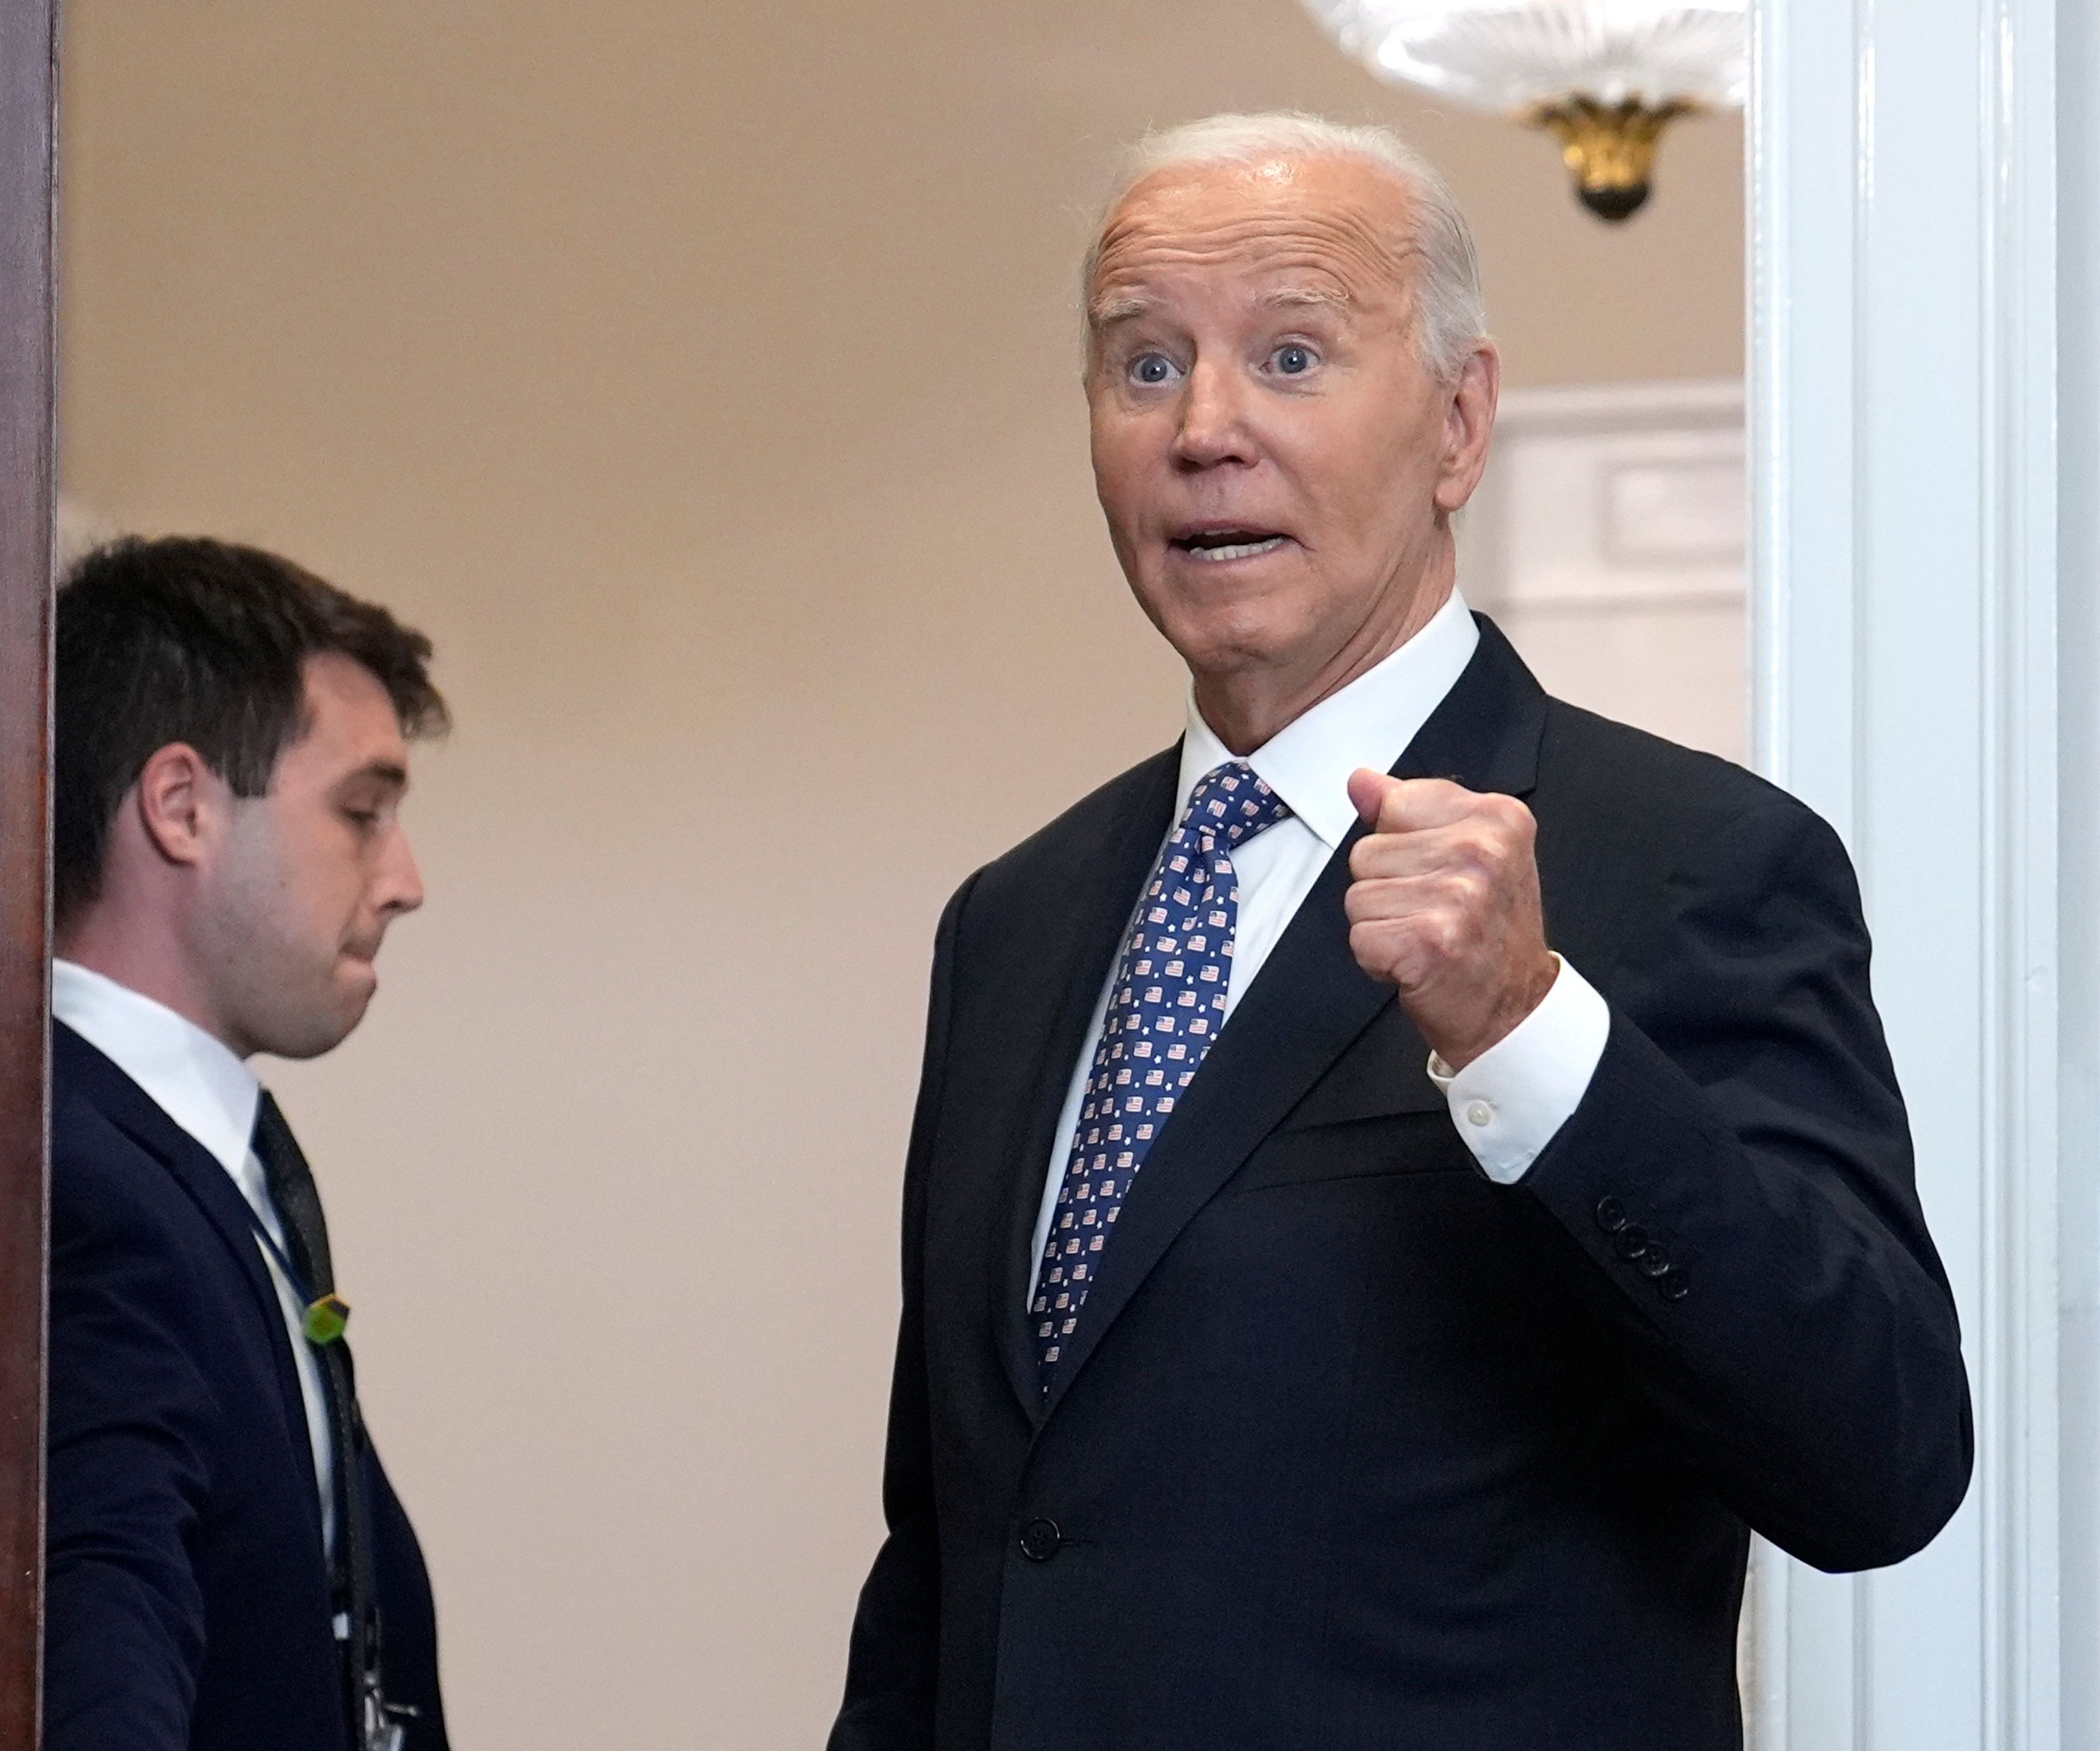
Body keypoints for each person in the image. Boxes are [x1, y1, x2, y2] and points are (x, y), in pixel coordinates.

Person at [829, 114, 1974, 1751]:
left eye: (1291, 355)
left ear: (1458, 422)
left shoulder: (1691, 861)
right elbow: (956, 1541)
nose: (1205, 428)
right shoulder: (1012, 921)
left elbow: (1882, 1457)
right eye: (1143, 367)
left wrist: (1534, 1032)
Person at [45, 536, 451, 1751]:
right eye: (362, 813)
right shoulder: (75, 1187)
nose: (406, 879)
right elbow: (97, 1671)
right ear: (183, 807)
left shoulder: (198, 1157)